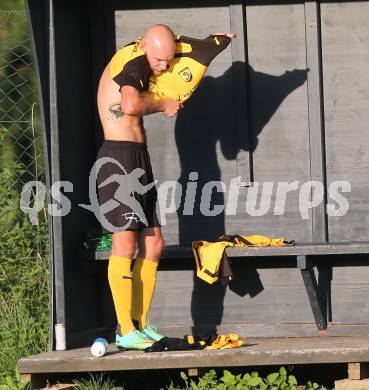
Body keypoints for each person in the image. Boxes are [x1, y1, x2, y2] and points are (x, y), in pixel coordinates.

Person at [96, 24, 235, 350]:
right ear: (144, 45)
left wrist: (219, 40)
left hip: (136, 158)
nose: (164, 66)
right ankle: (125, 330)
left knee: (154, 244)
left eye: (168, 59)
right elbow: (130, 104)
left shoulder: (148, 57)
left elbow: (189, 48)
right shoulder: (137, 63)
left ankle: (141, 325)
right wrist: (164, 104)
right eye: (160, 59)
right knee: (125, 246)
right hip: (119, 162)